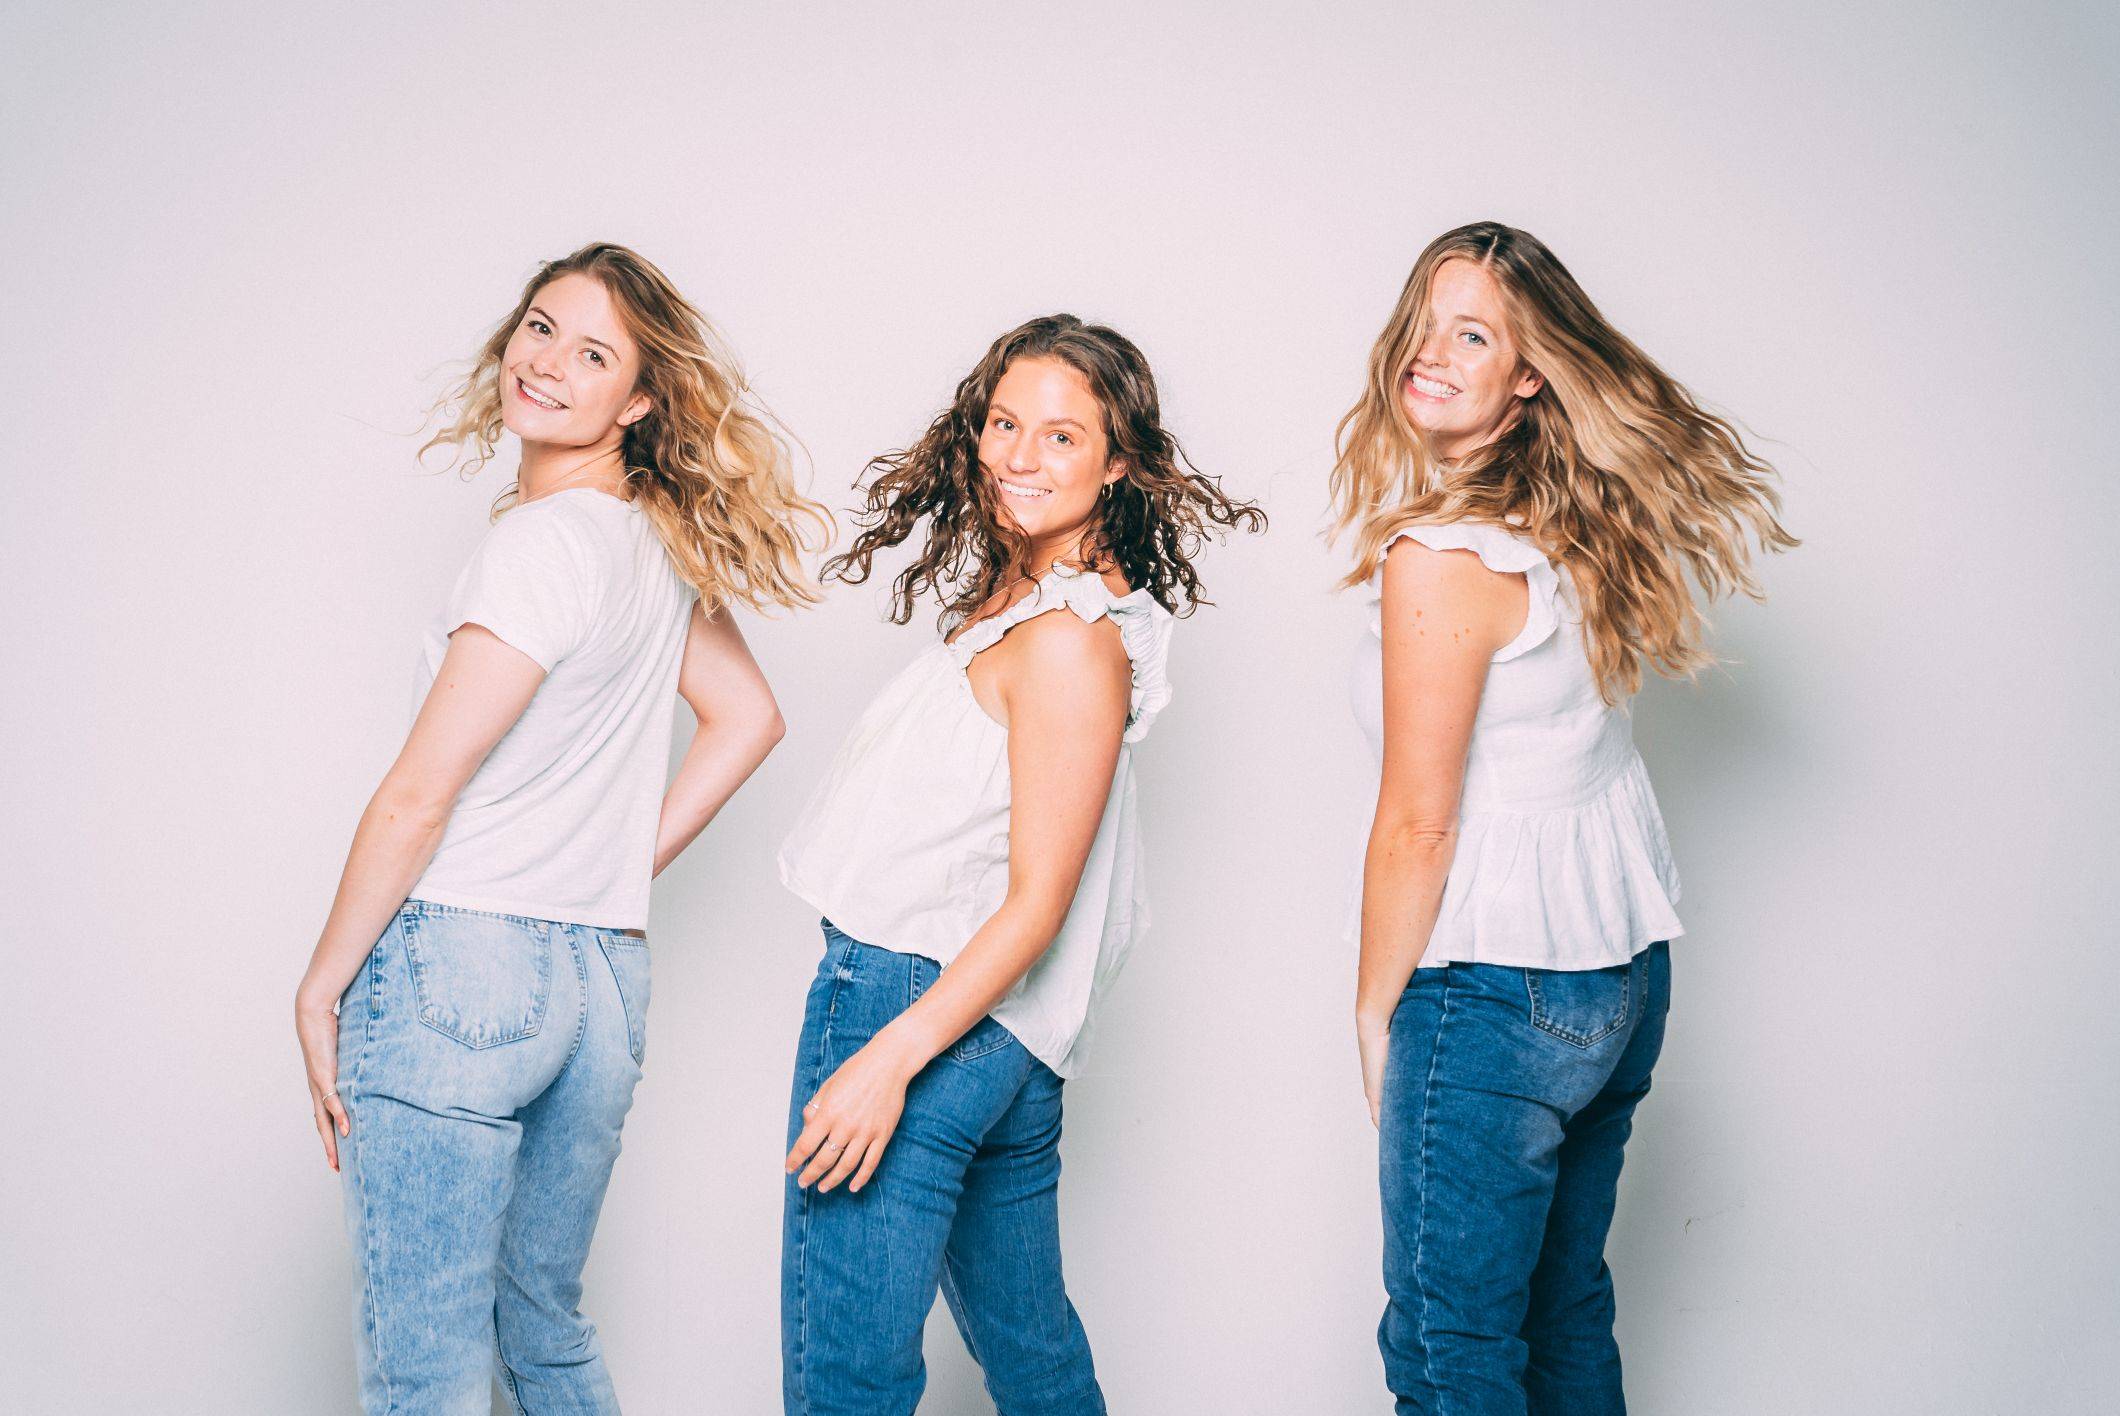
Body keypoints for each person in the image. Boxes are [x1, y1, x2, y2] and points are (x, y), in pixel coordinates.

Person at [292, 243, 828, 1414]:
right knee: (542, 1327)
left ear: (636, 401)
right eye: (538, 327)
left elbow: (418, 791)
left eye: (591, 354)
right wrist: (608, 861)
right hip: (599, 982)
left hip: (461, 972)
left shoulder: (539, 546)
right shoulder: (651, 547)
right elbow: (749, 719)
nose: (544, 362)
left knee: (423, 1368)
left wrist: (320, 983)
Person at [1335, 222, 1796, 1415]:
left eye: (1473, 334)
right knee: (1561, 1316)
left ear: (1528, 374)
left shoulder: (1439, 557)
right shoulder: (1579, 533)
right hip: (1619, 982)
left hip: (1490, 991)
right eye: (1426, 320)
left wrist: (1376, 1011)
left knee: (1448, 1354)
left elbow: (1417, 823)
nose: (1428, 352)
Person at [775, 314, 1263, 1414]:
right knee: (1034, 1358)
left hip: (915, 1000)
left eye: (1058, 437)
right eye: (1003, 423)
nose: (1014, 457)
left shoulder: (1065, 639)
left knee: (843, 1374)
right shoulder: (1037, 607)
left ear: (1117, 461)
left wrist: (886, 1062)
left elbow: (1039, 900)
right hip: (998, 1032)